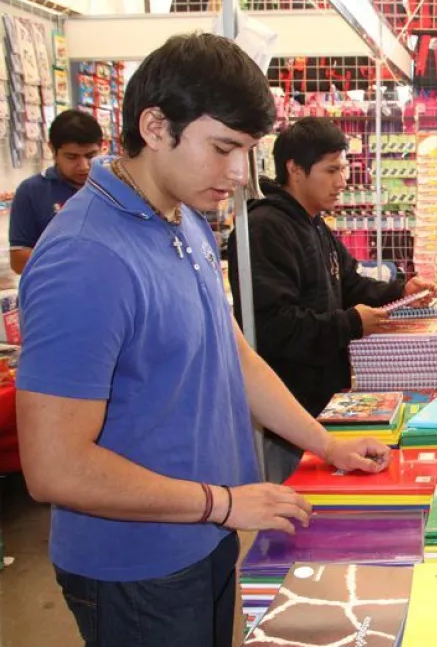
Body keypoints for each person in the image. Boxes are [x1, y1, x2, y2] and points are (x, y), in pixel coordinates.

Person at [16, 34, 390, 647]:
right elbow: (54, 466)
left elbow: (234, 354)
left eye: (247, 151)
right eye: (223, 149)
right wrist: (222, 503)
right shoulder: (84, 256)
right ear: (156, 125)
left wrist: (326, 444)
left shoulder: (182, 217)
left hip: (206, 535)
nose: (240, 175)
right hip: (137, 564)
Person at [228, 116, 436, 482]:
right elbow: (273, 325)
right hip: (286, 414)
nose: (343, 182)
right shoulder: (265, 229)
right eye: (332, 170)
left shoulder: (313, 224)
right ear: (295, 169)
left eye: (344, 169)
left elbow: (350, 283)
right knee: (295, 502)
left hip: (325, 407)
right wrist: (351, 323)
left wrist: (401, 291)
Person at [8, 110, 103, 274]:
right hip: (55, 291)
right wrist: (77, 261)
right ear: (53, 150)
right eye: (72, 157)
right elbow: (18, 260)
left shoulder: (114, 187)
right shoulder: (31, 191)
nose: (84, 166)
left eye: (90, 155)